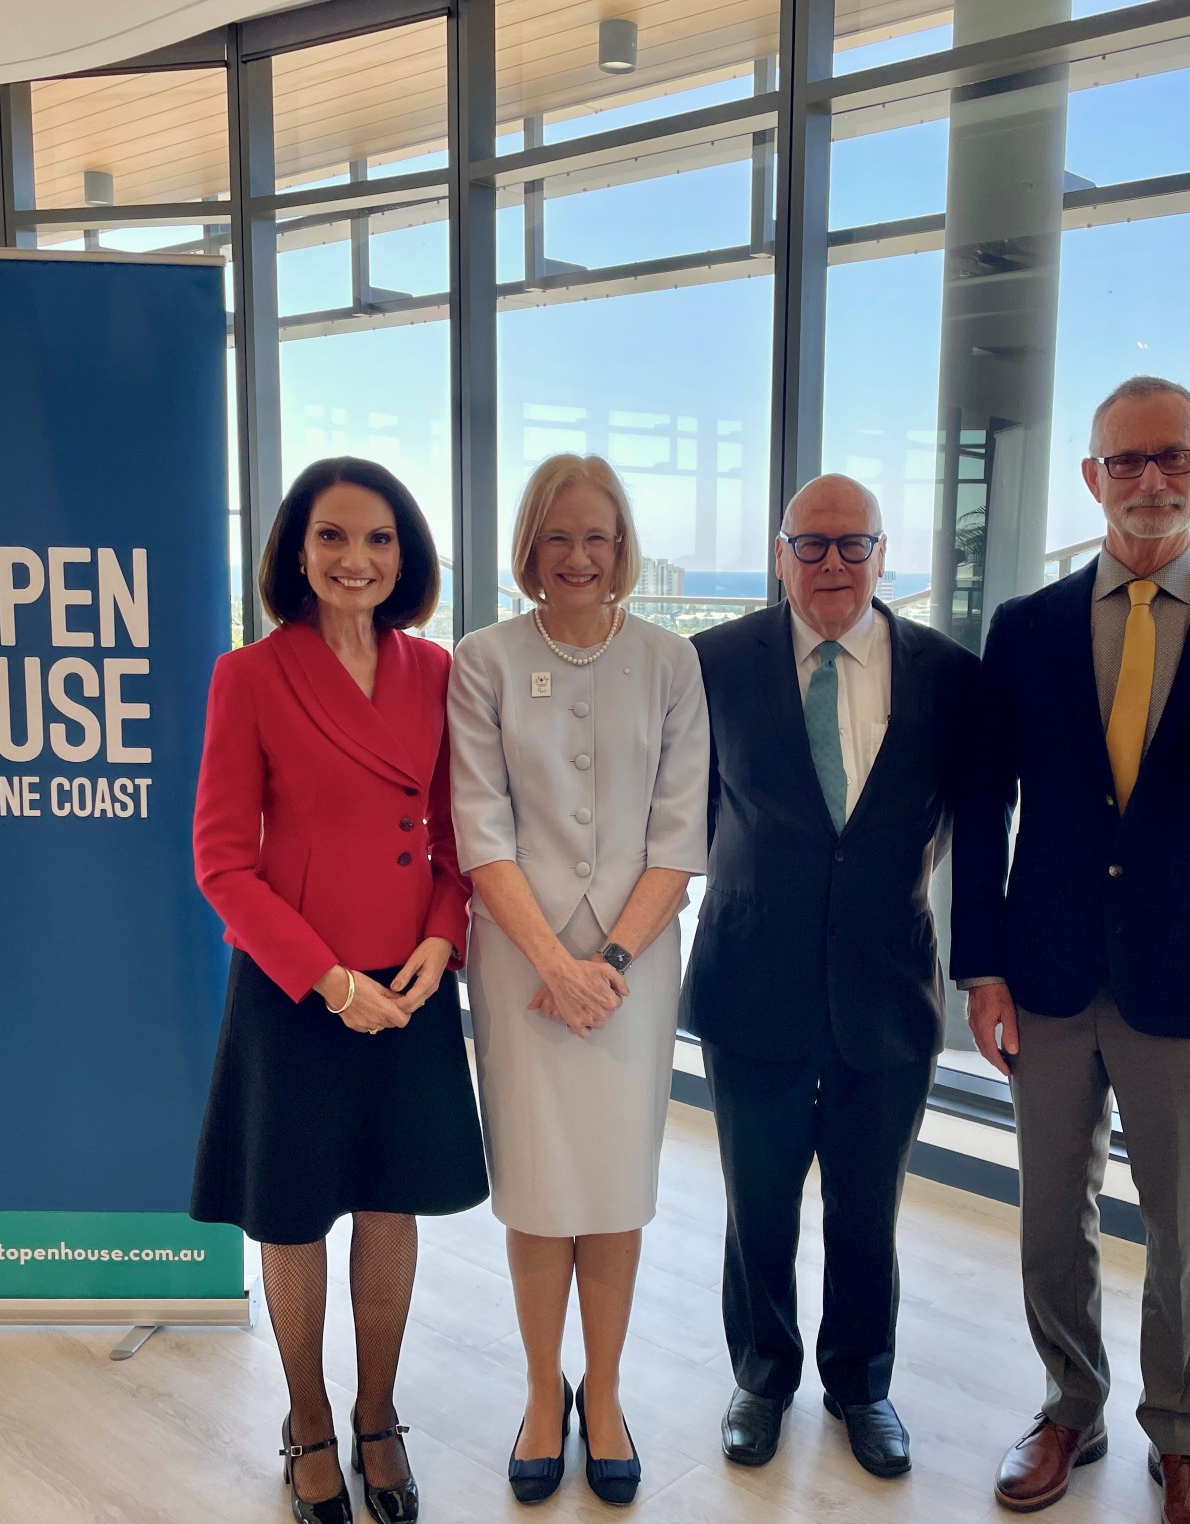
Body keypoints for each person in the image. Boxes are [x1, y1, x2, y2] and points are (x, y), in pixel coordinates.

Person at [952, 377, 1190, 1524]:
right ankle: (1071, 1405)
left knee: (1185, 1225)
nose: (1151, 480)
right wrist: (981, 965)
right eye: (1127, 462)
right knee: (1050, 1206)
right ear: (1092, 478)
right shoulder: (1024, 631)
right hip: (1051, 973)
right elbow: (983, 812)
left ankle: (1182, 1439)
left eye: (1173, 458)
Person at [189, 458, 487, 1524]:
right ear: (297, 552)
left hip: (406, 987)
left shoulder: (437, 673)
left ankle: (376, 1412)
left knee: (389, 1197)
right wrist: (326, 980)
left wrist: (444, 939)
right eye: (332, 537)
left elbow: (456, 843)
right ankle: (307, 1417)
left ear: (405, 556)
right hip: (297, 990)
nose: (355, 559)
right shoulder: (250, 675)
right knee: (294, 1212)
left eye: (378, 540)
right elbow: (220, 861)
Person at [682, 474, 978, 1480]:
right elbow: (670, 815)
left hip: (888, 986)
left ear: (882, 555)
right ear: (779, 553)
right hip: (750, 978)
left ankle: (862, 1384)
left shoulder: (947, 672)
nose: (832, 566)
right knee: (755, 1204)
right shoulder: (711, 663)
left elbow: (965, 833)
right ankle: (762, 1377)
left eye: (853, 546)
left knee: (868, 1206)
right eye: (810, 545)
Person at [448, 453, 709, 1508]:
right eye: (556, 537)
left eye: (596, 536)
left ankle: (601, 1394)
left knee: (610, 1192)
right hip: (518, 967)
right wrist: (554, 963)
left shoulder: (668, 661)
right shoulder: (483, 659)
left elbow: (679, 835)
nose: (577, 556)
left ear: (621, 547)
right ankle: (536, 1395)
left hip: (633, 971)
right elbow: (479, 825)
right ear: (529, 547)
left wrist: (603, 965)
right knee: (535, 1193)